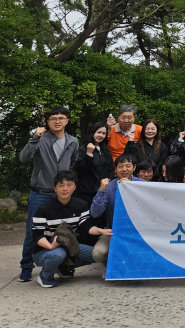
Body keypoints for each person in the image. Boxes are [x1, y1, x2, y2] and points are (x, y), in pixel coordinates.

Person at [18, 107, 80, 283]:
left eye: (61, 118)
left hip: (62, 194)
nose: (57, 121)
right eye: (53, 118)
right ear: (47, 122)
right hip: (41, 192)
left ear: (67, 121)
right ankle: (26, 266)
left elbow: (73, 162)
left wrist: (67, 183)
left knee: (64, 230)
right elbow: (23, 158)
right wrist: (35, 138)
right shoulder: (41, 139)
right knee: (32, 230)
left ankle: (62, 265)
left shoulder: (73, 141)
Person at [31, 170, 107, 288]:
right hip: (44, 250)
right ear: (55, 188)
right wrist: (51, 246)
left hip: (69, 245)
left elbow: (87, 226)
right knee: (59, 254)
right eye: (61, 185)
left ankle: (63, 268)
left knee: (98, 254)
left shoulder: (80, 205)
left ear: (74, 187)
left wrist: (101, 231)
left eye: (69, 185)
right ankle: (45, 276)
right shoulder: (44, 209)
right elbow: (37, 235)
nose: (65, 189)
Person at [90, 154, 145, 269]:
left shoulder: (142, 184)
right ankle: (111, 269)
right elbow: (95, 213)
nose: (124, 169)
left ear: (134, 168)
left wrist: (130, 187)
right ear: (115, 169)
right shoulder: (109, 186)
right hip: (115, 232)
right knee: (99, 253)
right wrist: (101, 190)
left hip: (139, 231)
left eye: (128, 166)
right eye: (120, 166)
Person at [73, 122, 115, 206]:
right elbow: (80, 170)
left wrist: (108, 182)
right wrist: (89, 154)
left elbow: (110, 168)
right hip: (86, 193)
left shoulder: (105, 149)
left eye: (103, 133)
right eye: (99, 132)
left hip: (103, 190)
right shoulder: (83, 149)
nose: (101, 135)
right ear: (93, 132)